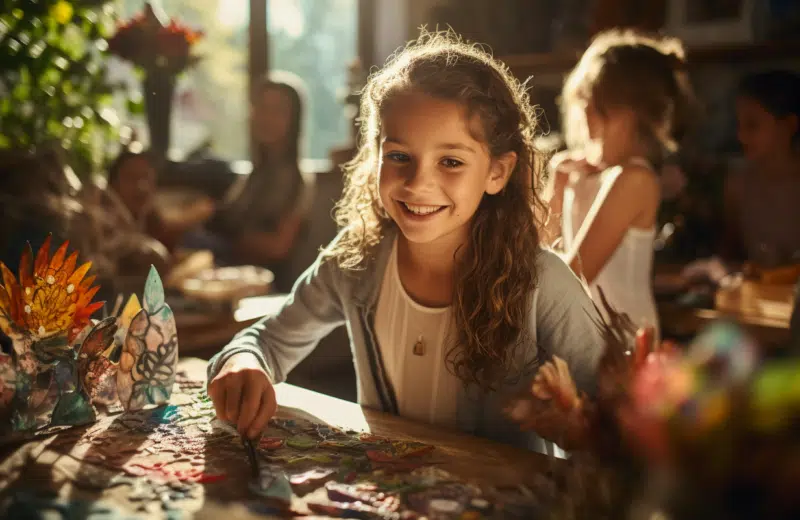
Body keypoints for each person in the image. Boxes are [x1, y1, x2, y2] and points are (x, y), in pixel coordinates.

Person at [206, 31, 603, 453]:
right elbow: (265, 341)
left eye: (450, 162)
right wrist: (242, 363)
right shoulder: (355, 260)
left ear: (497, 173)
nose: (418, 184)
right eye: (398, 156)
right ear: (375, 155)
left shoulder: (542, 282)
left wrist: (583, 428)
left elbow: (618, 423)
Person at [545, 29, 696, 340]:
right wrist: (557, 185)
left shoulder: (634, 179)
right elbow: (540, 251)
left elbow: (572, 277)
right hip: (581, 333)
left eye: (597, 104)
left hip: (622, 342)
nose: (585, 112)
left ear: (631, 113)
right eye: (584, 99)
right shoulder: (580, 171)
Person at [208, 75, 310, 292]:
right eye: (262, 108)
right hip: (230, 277)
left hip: (267, 289)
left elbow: (278, 247)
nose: (266, 118)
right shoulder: (252, 175)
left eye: (278, 111)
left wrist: (230, 239)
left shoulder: (297, 181)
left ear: (293, 120)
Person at [723, 70, 800, 269]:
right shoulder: (739, 184)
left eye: (752, 125)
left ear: (789, 125)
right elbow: (730, 254)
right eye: (739, 125)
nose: (741, 136)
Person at [106, 149, 215, 254]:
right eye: (131, 178)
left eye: (146, 178)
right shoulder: (105, 225)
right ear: (113, 184)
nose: (141, 187)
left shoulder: (149, 219)